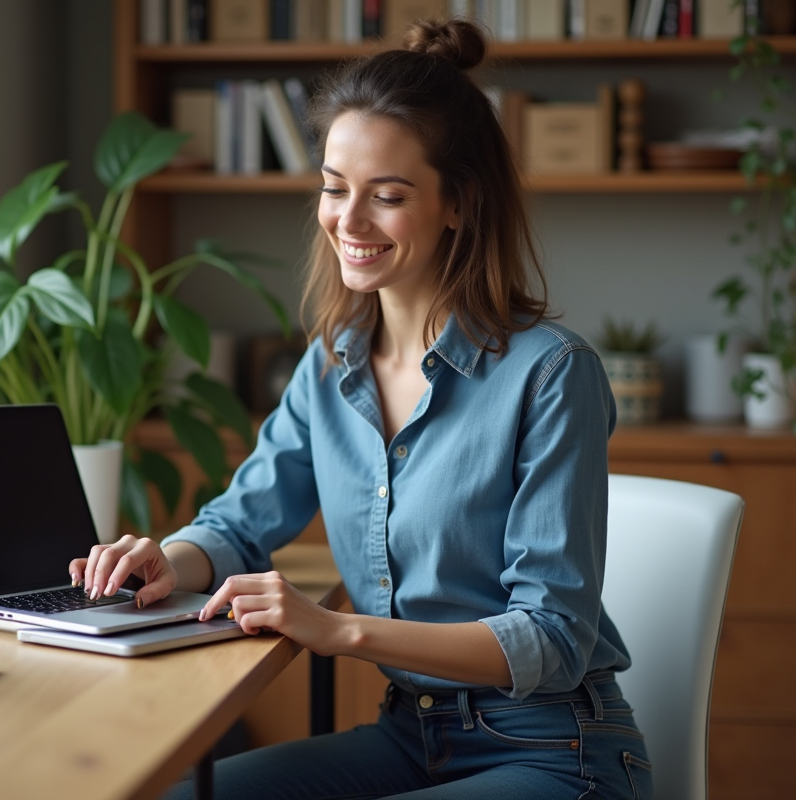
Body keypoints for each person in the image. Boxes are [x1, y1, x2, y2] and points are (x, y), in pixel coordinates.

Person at [70, 18, 652, 800]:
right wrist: (163, 561)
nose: (349, 221)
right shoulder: (330, 366)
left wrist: (336, 630)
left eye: (387, 196)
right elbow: (241, 524)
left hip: (552, 751)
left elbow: (550, 637)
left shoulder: (552, 375)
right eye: (334, 188)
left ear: (458, 204)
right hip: (408, 736)